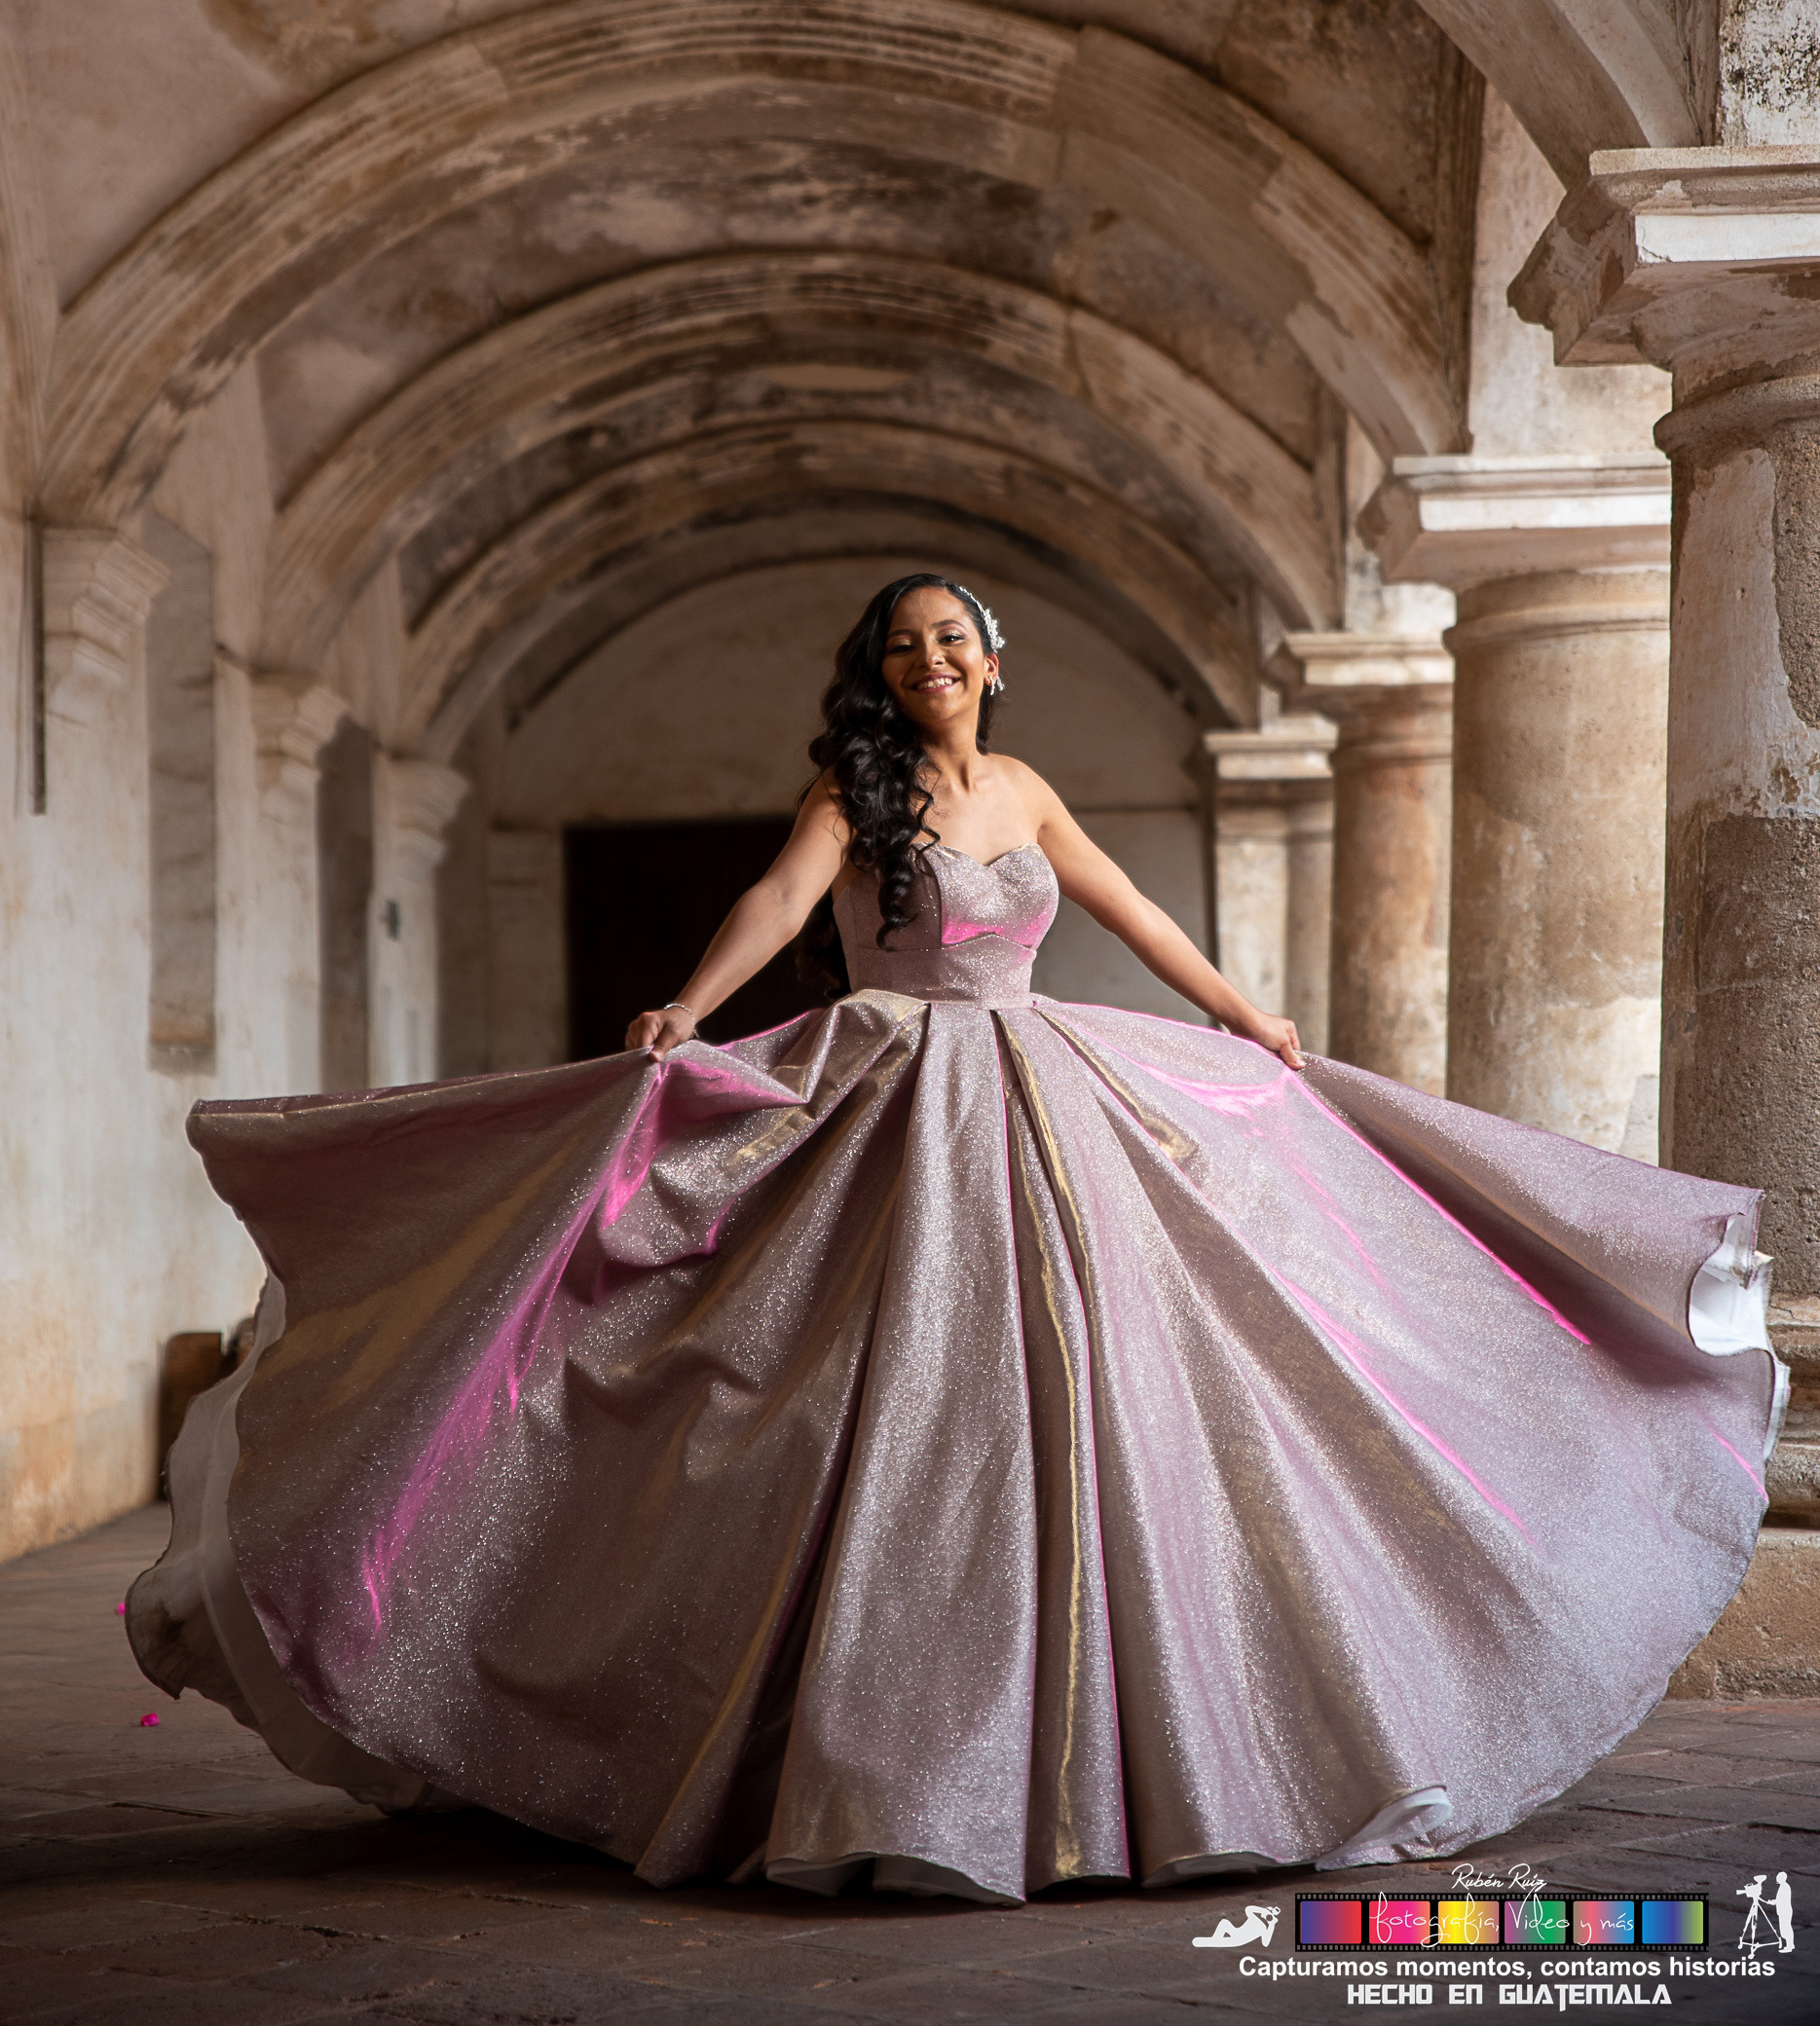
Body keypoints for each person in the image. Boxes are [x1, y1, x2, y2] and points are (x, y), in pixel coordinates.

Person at [132, 573, 1784, 1907]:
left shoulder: (1029, 786)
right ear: (883, 673)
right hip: (893, 1086)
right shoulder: (853, 789)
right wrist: (690, 1007)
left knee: (1127, 1372)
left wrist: (1241, 1013)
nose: (928, 659)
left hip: (1046, 1082)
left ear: (994, 660)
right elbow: (783, 907)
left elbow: (1131, 914)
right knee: (868, 1391)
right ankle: (862, 1749)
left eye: (950, 637)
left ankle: (1136, 1752)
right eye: (902, 643)